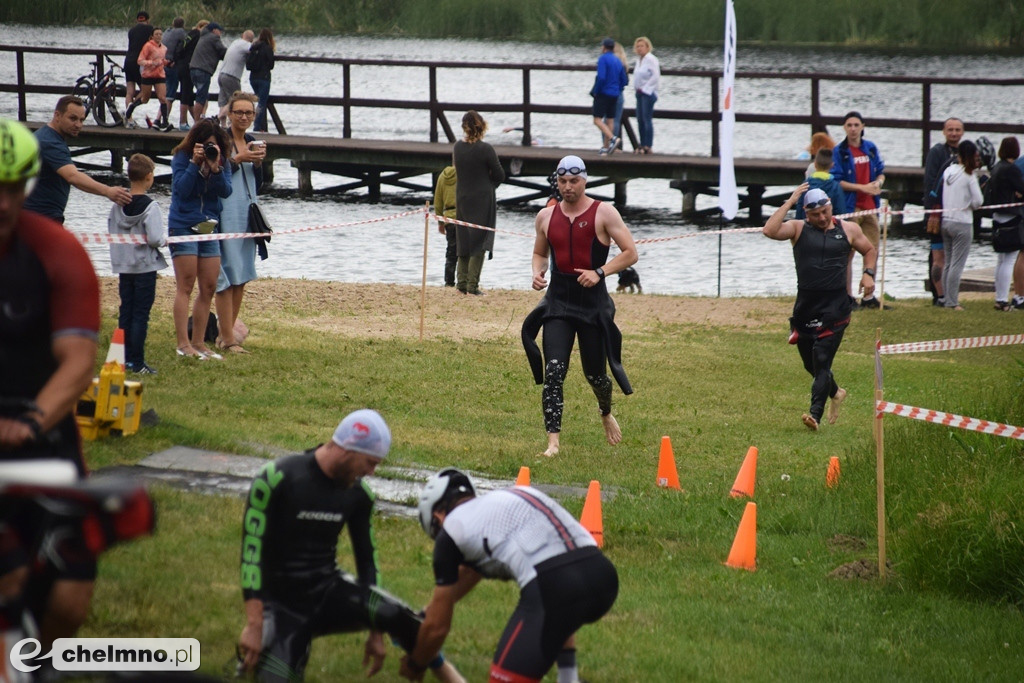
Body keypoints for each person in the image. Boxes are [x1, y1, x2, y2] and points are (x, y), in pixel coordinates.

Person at [236, 410, 465, 683]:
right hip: (282, 605)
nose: (371, 472)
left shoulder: (359, 494)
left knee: (405, 619)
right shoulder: (277, 478)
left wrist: (376, 631)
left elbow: (367, 560)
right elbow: (252, 555)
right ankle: (258, 656)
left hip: (327, 591)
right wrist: (254, 623)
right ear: (348, 449)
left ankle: (450, 678)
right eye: (369, 462)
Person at [0, 118, 101, 651]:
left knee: (70, 596)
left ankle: (39, 665)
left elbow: (79, 359)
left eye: (14, 187)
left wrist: (34, 421)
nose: (2, 202)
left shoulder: (57, 250)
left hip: (42, 434)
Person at [400, 468, 619, 683]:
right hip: (603, 575)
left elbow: (437, 629)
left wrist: (416, 663)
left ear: (438, 516)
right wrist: (430, 610)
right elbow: (472, 570)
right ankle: (568, 678)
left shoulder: (451, 532)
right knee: (560, 611)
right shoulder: (505, 499)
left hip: (555, 588)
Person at [522, 155, 638, 457]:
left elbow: (630, 253)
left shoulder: (604, 213)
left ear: (584, 180)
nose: (568, 187)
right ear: (556, 182)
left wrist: (600, 272)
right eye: (562, 181)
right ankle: (553, 443)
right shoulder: (545, 217)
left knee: (596, 375)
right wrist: (538, 271)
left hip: (593, 306)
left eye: (574, 181)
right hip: (558, 304)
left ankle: (605, 412)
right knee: (555, 371)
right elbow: (540, 253)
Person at [762, 185, 878, 431]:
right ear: (806, 213)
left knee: (822, 359)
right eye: (816, 215)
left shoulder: (849, 229)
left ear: (830, 207)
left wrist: (868, 274)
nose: (822, 218)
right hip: (806, 306)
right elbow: (769, 230)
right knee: (810, 364)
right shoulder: (798, 229)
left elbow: (869, 250)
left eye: (825, 212)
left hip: (835, 307)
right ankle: (836, 393)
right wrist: (790, 200)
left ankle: (815, 415)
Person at [167, 118, 232, 360]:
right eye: (205, 145)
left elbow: (226, 191)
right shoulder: (182, 157)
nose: (209, 149)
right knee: (185, 284)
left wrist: (216, 169)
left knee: (208, 286)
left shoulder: (221, 160)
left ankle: (200, 343)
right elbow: (182, 190)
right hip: (183, 223)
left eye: (213, 145)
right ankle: (183, 344)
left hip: (208, 226)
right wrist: (195, 164)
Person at [22, 96, 131, 223]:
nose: (78, 125)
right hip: (40, 218)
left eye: (81, 120)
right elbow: (73, 176)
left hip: (36, 216)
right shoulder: (50, 143)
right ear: (57, 115)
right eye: (73, 118)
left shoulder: (46, 136)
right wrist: (108, 191)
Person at [107, 153, 168, 375]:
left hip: (124, 265)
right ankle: (137, 361)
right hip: (144, 267)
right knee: (141, 314)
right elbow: (154, 238)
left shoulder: (117, 206)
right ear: (149, 177)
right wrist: (164, 241)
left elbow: (112, 231)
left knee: (126, 311)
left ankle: (121, 358)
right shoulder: (151, 207)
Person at [214, 92, 266, 354]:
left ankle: (228, 333)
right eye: (239, 112)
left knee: (242, 274)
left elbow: (259, 184)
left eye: (249, 113)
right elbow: (213, 176)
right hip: (226, 214)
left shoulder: (252, 141)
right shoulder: (220, 141)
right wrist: (237, 159)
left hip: (248, 214)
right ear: (229, 114)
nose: (244, 117)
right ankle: (228, 338)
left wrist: (259, 164)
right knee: (227, 274)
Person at [832, 111, 885, 308]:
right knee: (848, 252)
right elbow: (837, 180)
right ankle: (847, 296)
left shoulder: (870, 148)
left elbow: (881, 171)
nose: (853, 129)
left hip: (870, 207)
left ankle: (869, 296)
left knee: (872, 250)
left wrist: (877, 183)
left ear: (862, 126)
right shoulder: (840, 151)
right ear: (844, 128)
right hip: (851, 207)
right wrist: (861, 188)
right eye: (849, 125)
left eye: (856, 125)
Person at [453, 111, 504, 295]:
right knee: (479, 240)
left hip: (462, 197)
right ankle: (472, 286)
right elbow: (500, 174)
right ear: (481, 126)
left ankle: (461, 283)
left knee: (464, 238)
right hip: (482, 198)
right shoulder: (485, 149)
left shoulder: (457, 147)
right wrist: (490, 185)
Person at [923, 117, 964, 306]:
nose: (954, 133)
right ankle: (938, 295)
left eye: (957, 130)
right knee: (938, 256)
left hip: (956, 213)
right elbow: (930, 182)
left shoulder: (965, 153)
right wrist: (934, 210)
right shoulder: (937, 152)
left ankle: (948, 295)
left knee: (951, 256)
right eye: (950, 130)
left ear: (962, 132)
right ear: (944, 132)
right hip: (936, 212)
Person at [939, 139, 983, 310]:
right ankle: (952, 302)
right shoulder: (969, 176)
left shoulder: (948, 171)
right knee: (957, 264)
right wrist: (970, 204)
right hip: (962, 222)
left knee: (949, 262)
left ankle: (946, 298)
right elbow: (978, 201)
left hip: (946, 220)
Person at [987, 137, 1024, 311]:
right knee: (1009, 260)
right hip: (1011, 217)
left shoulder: (997, 167)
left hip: (997, 216)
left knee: (1002, 260)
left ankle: (1000, 297)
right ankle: (1002, 299)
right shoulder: (1012, 169)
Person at [126, 28, 173, 131]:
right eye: (156, 34)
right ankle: (131, 107)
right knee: (145, 99)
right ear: (152, 36)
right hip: (148, 75)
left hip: (160, 75)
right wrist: (151, 63)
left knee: (162, 98)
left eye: (160, 34)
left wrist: (167, 63)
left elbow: (161, 60)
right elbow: (140, 61)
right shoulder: (148, 46)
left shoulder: (164, 48)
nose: (159, 36)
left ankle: (165, 122)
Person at [591, 37, 627, 155]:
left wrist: (597, 91)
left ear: (604, 47)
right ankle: (606, 148)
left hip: (604, 93)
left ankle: (613, 139)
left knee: (597, 120)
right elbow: (624, 79)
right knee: (610, 120)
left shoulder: (603, 59)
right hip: (615, 94)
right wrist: (618, 88)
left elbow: (601, 77)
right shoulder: (617, 60)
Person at [188, 22, 227, 122]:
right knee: (201, 97)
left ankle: (201, 118)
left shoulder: (203, 36)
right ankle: (197, 123)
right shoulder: (214, 38)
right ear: (214, 30)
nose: (221, 33)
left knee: (202, 95)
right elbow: (223, 51)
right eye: (220, 31)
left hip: (193, 68)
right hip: (203, 69)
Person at [175, 19, 209, 131]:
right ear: (202, 27)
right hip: (189, 66)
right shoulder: (199, 36)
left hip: (181, 65)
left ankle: (196, 122)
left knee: (188, 95)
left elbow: (179, 49)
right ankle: (183, 122)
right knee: (185, 95)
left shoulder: (190, 34)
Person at [795, 149, 845, 220]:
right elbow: (841, 211)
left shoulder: (805, 185)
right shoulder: (835, 186)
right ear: (832, 165)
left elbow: (799, 209)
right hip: (828, 225)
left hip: (809, 226)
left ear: (815, 164)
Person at [217, 30, 255, 124]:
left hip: (221, 74)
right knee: (236, 100)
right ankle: (221, 116)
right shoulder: (246, 44)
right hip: (232, 76)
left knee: (223, 100)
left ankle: (223, 126)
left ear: (242, 35)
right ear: (251, 39)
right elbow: (254, 49)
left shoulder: (235, 42)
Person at [123, 10, 153, 125]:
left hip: (128, 61)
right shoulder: (150, 29)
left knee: (129, 91)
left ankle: (129, 119)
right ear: (147, 19)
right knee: (145, 93)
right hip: (140, 63)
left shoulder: (131, 31)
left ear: (137, 20)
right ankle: (130, 109)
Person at [632, 36, 660, 155]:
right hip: (639, 92)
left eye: (642, 46)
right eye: (637, 46)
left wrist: (646, 88)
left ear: (647, 47)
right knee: (640, 119)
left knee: (646, 118)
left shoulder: (651, 59)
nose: (639, 49)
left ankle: (648, 145)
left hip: (648, 93)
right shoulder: (639, 60)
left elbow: (655, 76)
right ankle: (641, 144)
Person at [247, 28, 276, 133]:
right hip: (264, 78)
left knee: (258, 101)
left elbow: (248, 63)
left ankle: (260, 127)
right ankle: (257, 127)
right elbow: (271, 65)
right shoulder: (268, 48)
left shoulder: (253, 47)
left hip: (253, 78)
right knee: (262, 103)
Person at [433, 165, 458, 287]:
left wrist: (440, 222)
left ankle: (449, 282)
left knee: (451, 252)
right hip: (464, 216)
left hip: (449, 218)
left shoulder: (442, 176)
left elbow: (437, 201)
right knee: (466, 253)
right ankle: (465, 281)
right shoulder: (464, 175)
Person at [162, 17, 187, 119]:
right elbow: (184, 46)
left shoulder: (167, 31)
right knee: (170, 94)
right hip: (172, 65)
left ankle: (160, 118)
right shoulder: (181, 33)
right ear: (183, 25)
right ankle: (165, 118)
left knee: (166, 91)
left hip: (163, 63)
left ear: (173, 23)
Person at [609, 42, 629, 152]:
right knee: (615, 120)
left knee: (606, 120)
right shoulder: (623, 64)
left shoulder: (609, 62)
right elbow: (625, 81)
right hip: (619, 93)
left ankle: (607, 144)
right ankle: (613, 144)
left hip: (608, 93)